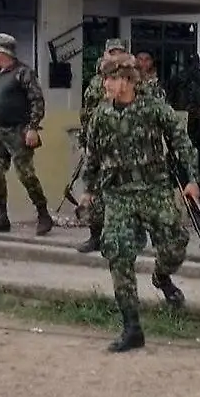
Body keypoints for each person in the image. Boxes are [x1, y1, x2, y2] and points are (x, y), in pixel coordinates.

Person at [80, 53, 200, 353]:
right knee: (118, 253)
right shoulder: (101, 114)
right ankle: (132, 327)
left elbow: (181, 142)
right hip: (118, 193)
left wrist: (191, 179)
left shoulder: (154, 108)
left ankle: (161, 277)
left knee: (174, 246)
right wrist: (89, 189)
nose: (105, 84)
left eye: (110, 79)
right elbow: (93, 154)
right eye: (105, 79)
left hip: (154, 190)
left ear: (126, 80)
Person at [0, 33, 53, 237]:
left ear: (2, 52)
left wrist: (33, 127)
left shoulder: (23, 73)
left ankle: (43, 214)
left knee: (26, 175)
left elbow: (37, 101)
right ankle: (0, 218)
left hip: (19, 131)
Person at [76, 38, 131, 254]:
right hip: (100, 146)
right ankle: (95, 235)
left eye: (119, 52)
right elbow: (87, 113)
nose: (115, 56)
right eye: (111, 52)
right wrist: (85, 140)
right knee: (95, 191)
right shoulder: (96, 83)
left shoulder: (132, 80)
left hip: (126, 147)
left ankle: (123, 238)